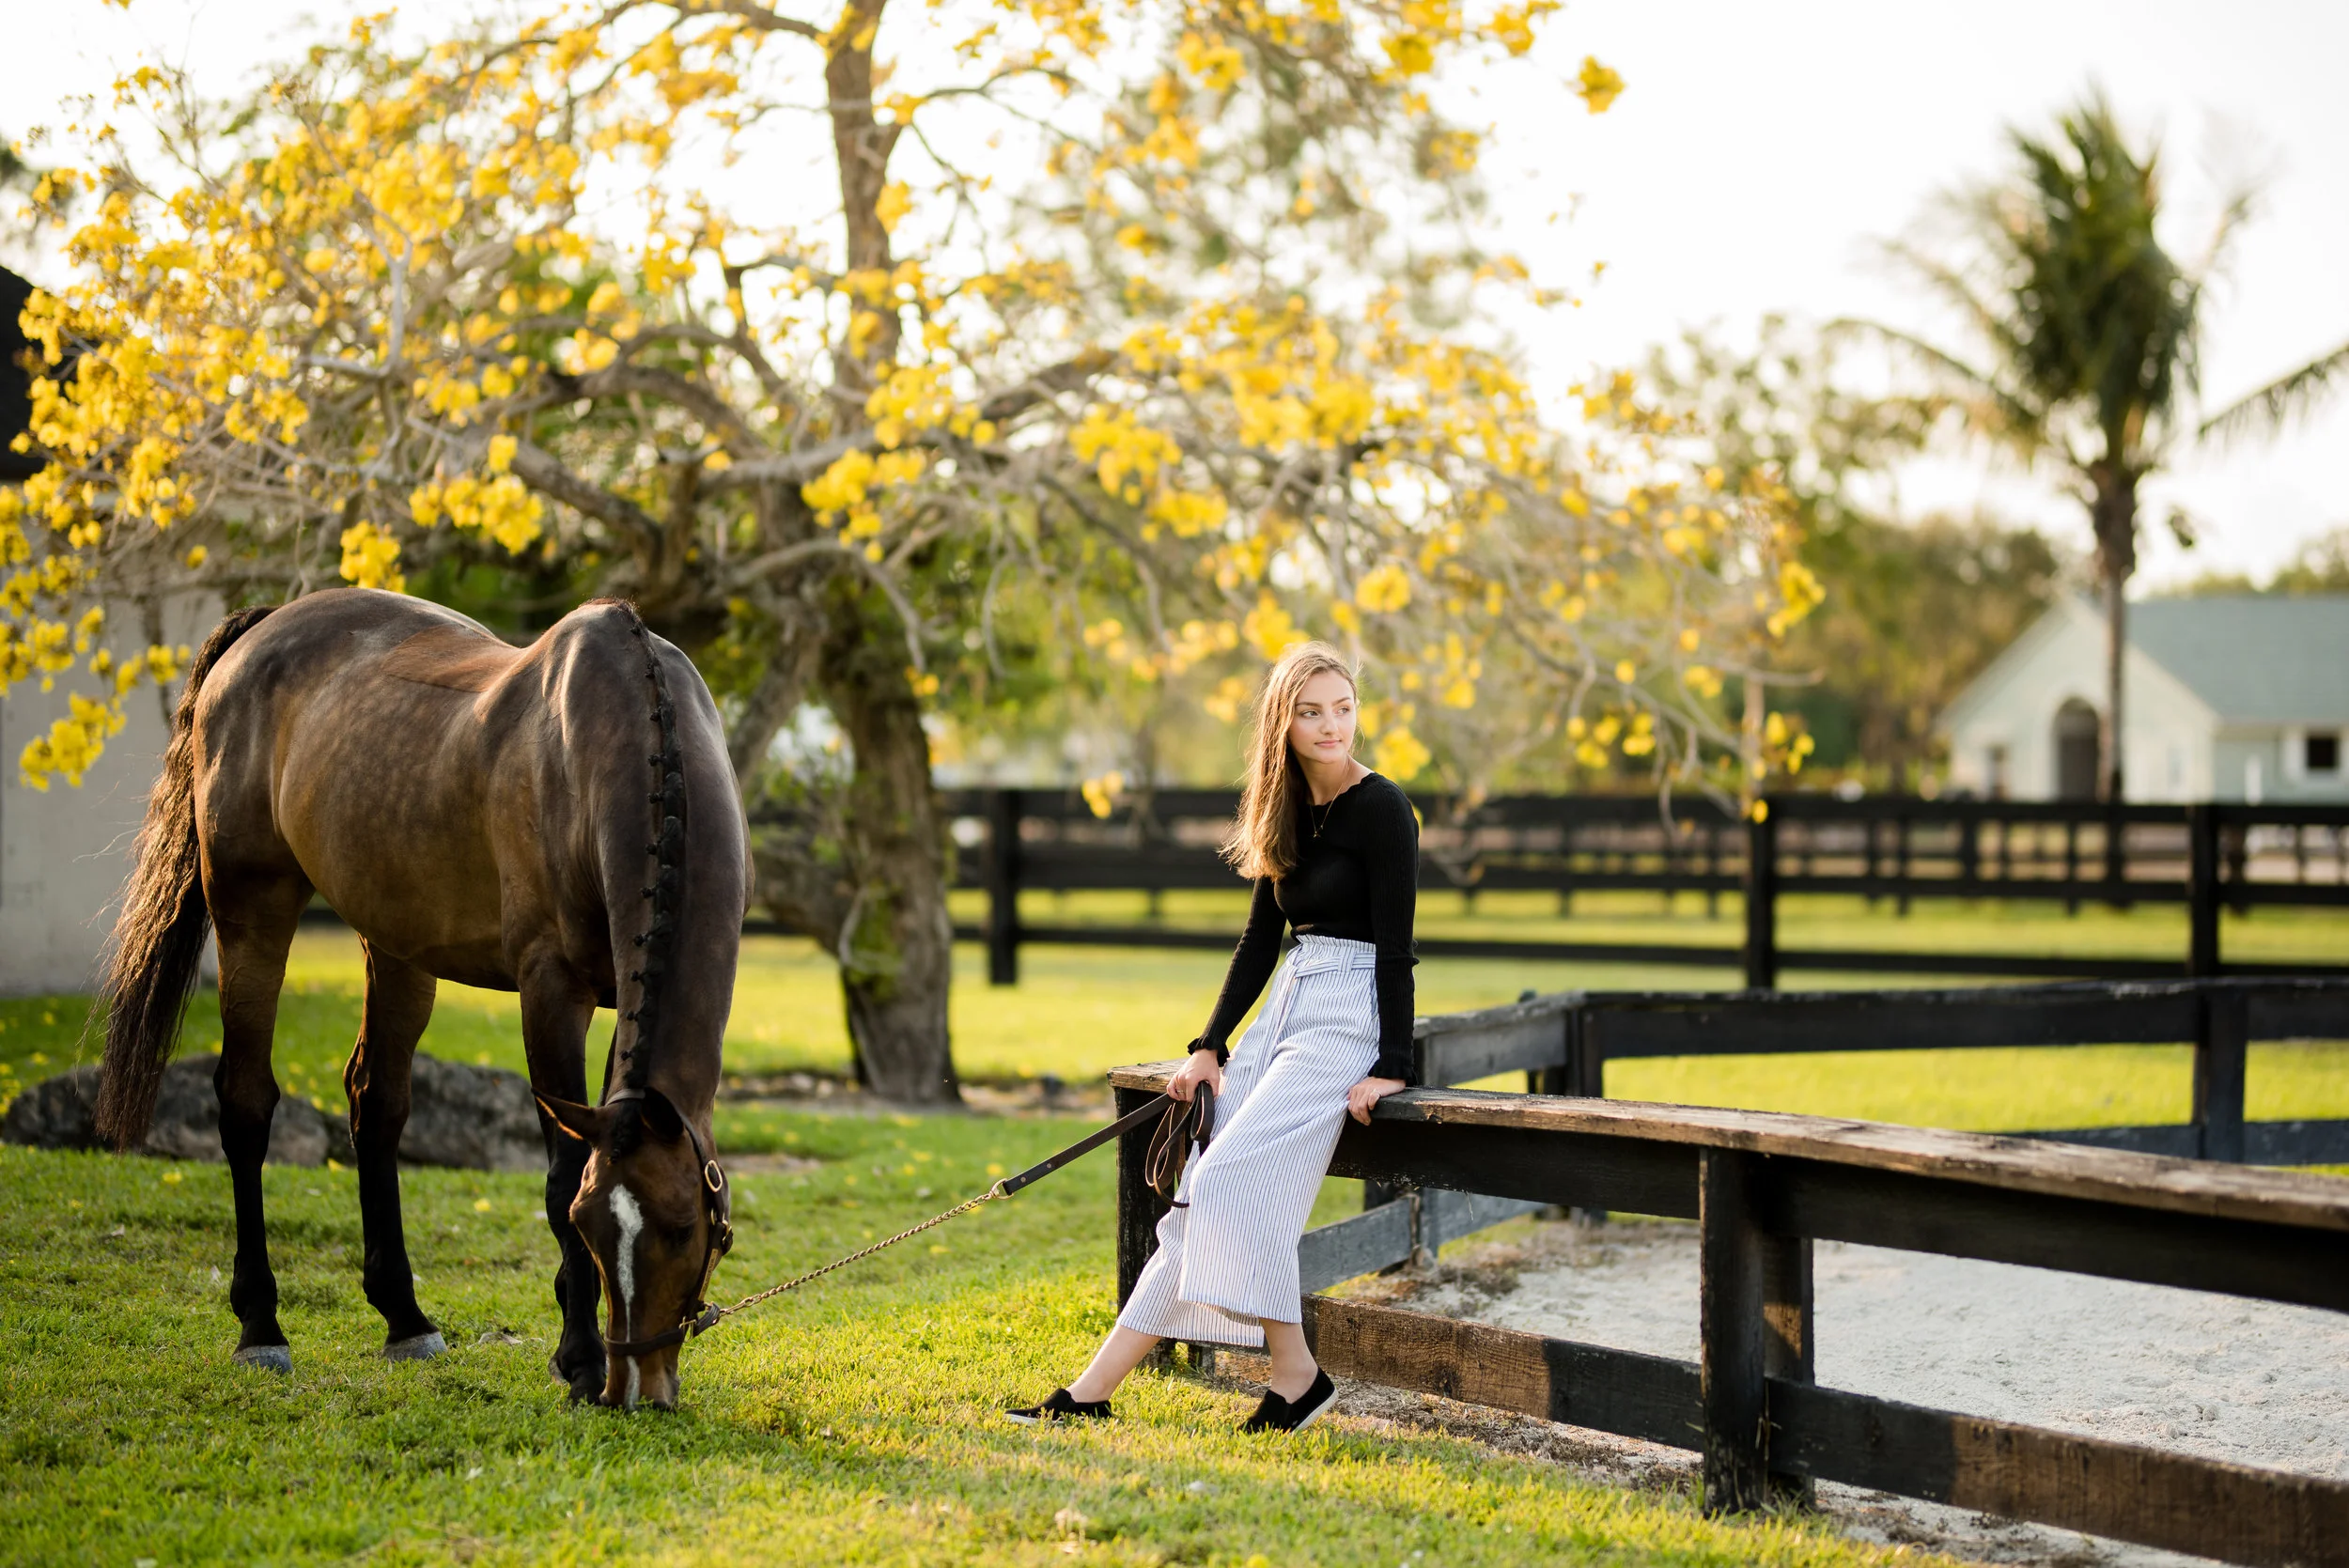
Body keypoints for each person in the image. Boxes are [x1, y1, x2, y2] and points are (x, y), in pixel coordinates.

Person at [1006, 642, 1417, 1434]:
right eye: (1311, 711)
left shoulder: (1384, 807)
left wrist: (1392, 1065)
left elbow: (1397, 949)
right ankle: (1090, 1394)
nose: (1332, 725)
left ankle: (1296, 1373)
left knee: (1229, 1177)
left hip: (1348, 1011)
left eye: (1343, 706)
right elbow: (1260, 941)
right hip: (1290, 1000)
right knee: (1201, 1186)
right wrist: (1209, 1045)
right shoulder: (1285, 811)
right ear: (1283, 723)